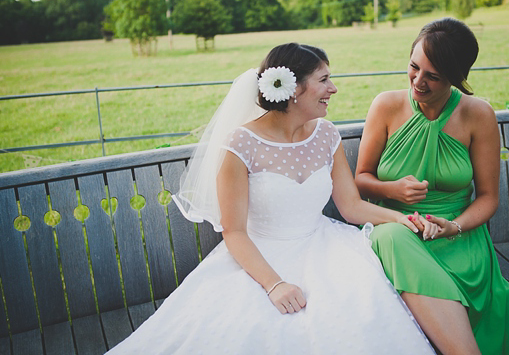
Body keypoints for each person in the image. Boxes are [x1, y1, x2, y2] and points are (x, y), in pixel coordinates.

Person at [106, 43, 434, 354]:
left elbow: (351, 207)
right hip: (260, 257)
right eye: (323, 80)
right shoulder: (241, 144)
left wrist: (403, 219)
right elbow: (233, 231)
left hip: (328, 248)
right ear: (292, 90)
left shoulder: (326, 134)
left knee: (361, 310)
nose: (333, 88)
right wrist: (274, 285)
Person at [355, 18, 509, 355]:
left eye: (433, 76)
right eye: (414, 68)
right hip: (396, 227)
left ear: (457, 77)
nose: (418, 81)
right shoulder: (386, 106)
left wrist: (452, 227)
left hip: (457, 236)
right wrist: (393, 191)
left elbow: (488, 198)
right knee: (392, 236)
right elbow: (361, 179)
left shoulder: (478, 114)